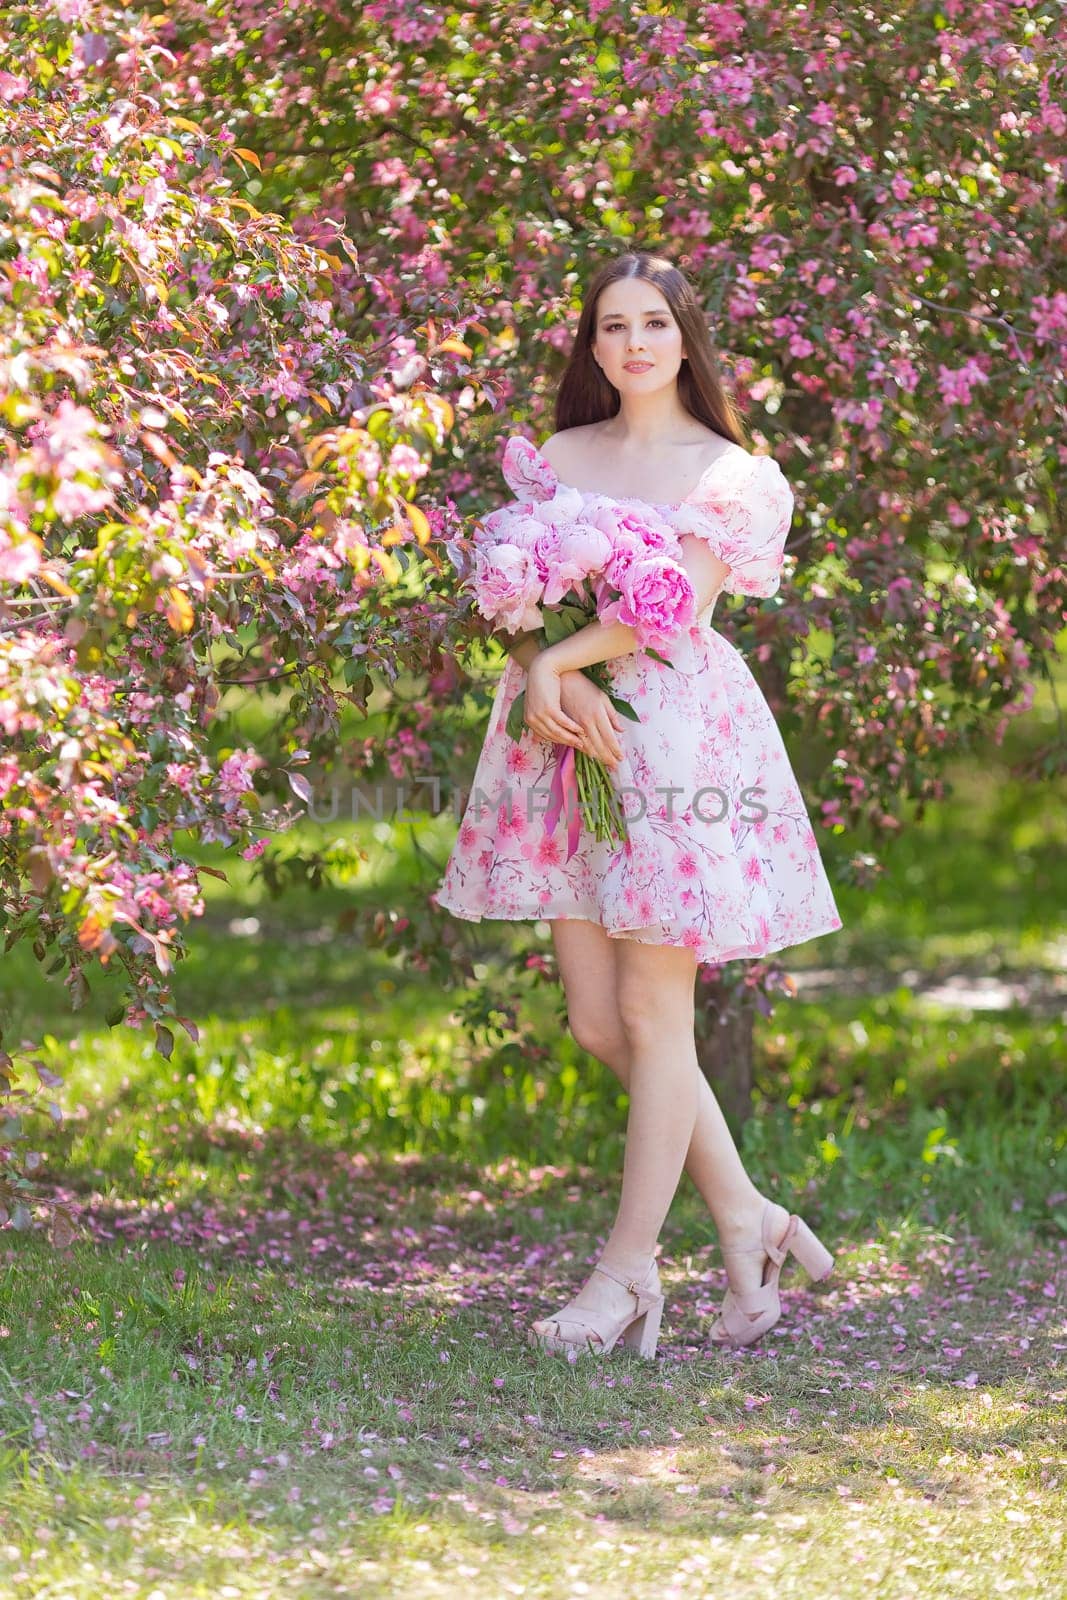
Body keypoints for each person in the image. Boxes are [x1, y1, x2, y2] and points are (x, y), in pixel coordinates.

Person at [434, 249, 842, 1358]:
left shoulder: (731, 473)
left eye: (652, 324)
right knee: (599, 1022)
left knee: (656, 1016)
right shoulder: (562, 456)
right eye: (611, 326)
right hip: (564, 742)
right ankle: (748, 1220)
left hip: (668, 741)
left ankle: (624, 1275)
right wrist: (539, 657)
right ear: (592, 344)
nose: (632, 344)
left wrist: (557, 662)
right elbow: (517, 593)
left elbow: (675, 610)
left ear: (683, 339)